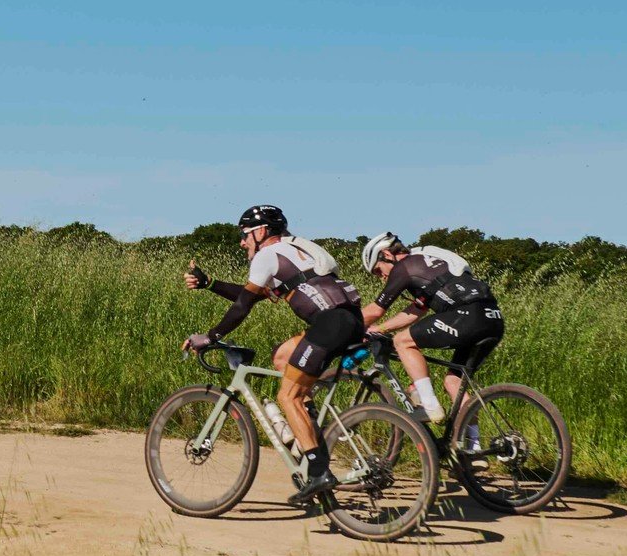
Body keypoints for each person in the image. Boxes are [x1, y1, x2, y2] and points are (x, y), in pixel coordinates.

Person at [182, 205, 364, 505]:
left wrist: (211, 336)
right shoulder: (297, 250)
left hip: (329, 324)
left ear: (261, 231)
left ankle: (319, 472)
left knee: (287, 397)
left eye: (244, 235)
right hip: (350, 319)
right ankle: (309, 430)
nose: (242, 242)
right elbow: (251, 295)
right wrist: (210, 284)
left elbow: (242, 306)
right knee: (282, 356)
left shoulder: (268, 255)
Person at [361, 233, 505, 417]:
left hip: (467, 316)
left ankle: (430, 407)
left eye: (378, 270)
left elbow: (376, 310)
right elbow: (416, 311)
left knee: (402, 341)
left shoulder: (404, 267)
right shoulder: (426, 263)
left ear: (387, 255)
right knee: (454, 383)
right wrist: (380, 329)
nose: (381, 277)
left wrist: (348, 328)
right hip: (493, 318)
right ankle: (472, 444)